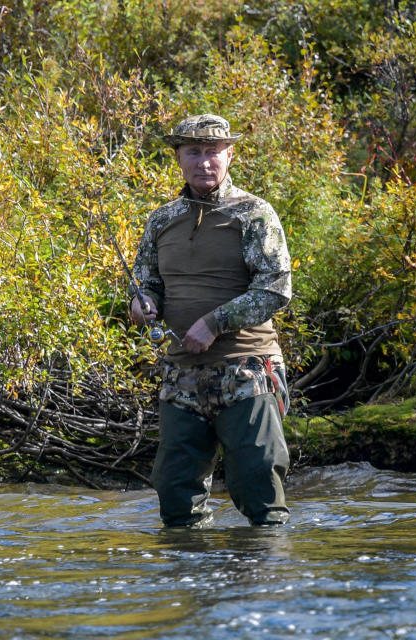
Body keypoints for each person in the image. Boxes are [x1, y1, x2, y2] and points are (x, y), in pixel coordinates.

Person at [129, 113, 292, 527]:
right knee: (175, 494)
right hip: (181, 375)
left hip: (247, 370)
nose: (204, 162)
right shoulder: (161, 219)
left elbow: (274, 289)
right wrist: (143, 304)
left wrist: (214, 323)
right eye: (194, 152)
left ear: (230, 156)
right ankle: (193, 583)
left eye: (213, 152)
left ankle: (260, 582)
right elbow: (147, 284)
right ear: (179, 158)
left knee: (259, 487)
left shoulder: (254, 213)